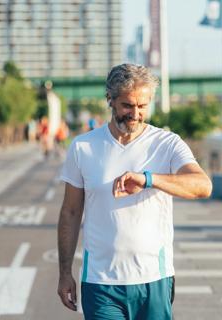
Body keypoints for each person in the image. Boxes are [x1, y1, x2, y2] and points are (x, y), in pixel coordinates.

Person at [57, 63, 212, 319]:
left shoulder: (167, 144)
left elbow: (202, 185)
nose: (135, 114)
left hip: (154, 278)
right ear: (110, 99)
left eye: (142, 106)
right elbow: (71, 213)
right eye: (128, 105)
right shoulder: (83, 147)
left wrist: (148, 179)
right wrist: (64, 273)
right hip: (100, 281)